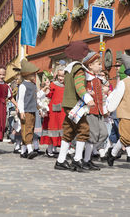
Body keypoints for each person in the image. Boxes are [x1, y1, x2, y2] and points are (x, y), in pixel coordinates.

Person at [54, 41, 94, 172]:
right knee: (83, 129)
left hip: (67, 104)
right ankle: (77, 159)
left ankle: (60, 160)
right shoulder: (79, 69)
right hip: (75, 105)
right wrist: (87, 98)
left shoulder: (68, 69)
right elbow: (79, 87)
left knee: (69, 130)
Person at [81, 51, 107, 170]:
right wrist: (87, 93)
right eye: (98, 64)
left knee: (104, 134)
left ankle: (88, 153)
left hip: (99, 110)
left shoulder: (97, 79)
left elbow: (101, 95)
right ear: (90, 65)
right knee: (92, 135)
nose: (100, 66)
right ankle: (86, 159)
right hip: (91, 110)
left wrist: (105, 108)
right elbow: (81, 91)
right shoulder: (86, 78)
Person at [40, 66, 65, 158]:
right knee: (52, 130)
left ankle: (59, 149)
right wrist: (47, 87)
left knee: (61, 130)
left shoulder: (67, 86)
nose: (61, 78)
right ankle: (49, 149)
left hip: (63, 112)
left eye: (63, 76)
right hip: (53, 111)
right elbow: (48, 95)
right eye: (59, 76)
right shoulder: (53, 84)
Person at [18, 59, 40, 159]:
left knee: (29, 128)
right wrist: (21, 111)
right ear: (27, 74)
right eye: (33, 75)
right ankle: (30, 150)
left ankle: (23, 151)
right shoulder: (23, 85)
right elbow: (20, 100)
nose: (34, 77)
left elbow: (36, 97)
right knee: (27, 129)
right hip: (26, 111)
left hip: (32, 110)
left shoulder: (33, 85)